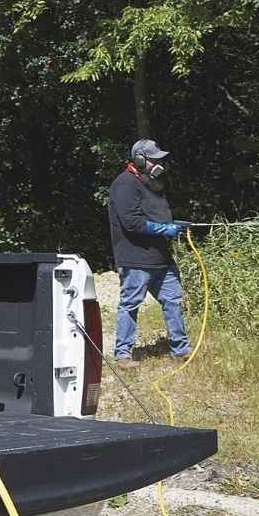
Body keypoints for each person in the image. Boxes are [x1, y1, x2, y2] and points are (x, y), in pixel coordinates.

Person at [107, 138, 191, 364]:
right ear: (139, 160)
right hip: (135, 258)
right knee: (130, 304)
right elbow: (132, 222)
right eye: (154, 160)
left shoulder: (152, 183)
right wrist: (164, 229)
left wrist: (173, 225)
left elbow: (155, 215)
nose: (159, 164)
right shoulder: (124, 184)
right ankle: (123, 355)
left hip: (161, 258)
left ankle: (181, 350)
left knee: (173, 301)